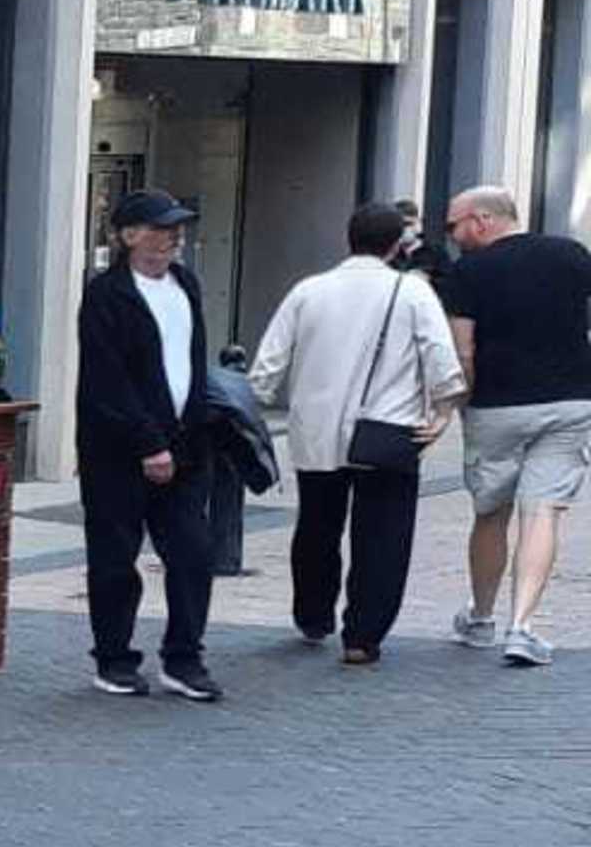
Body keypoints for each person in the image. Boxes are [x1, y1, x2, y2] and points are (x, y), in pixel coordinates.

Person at [248, 201, 463, 663]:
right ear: (396, 245)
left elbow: (267, 368)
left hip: (316, 431)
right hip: (389, 431)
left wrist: (257, 404)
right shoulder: (412, 292)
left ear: (349, 239)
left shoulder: (309, 290)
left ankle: (312, 614)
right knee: (383, 534)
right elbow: (441, 361)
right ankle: (363, 635)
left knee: (316, 525)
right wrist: (443, 413)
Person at [77, 188, 222, 700]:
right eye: (161, 229)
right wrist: (146, 443)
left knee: (193, 552)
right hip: (118, 452)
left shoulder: (186, 283)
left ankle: (184, 658)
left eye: (177, 230)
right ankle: (114, 658)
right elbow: (107, 381)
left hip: (185, 444)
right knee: (116, 556)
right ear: (129, 236)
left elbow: (192, 360)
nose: (172, 238)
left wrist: (195, 426)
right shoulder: (106, 294)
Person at [437, 184, 591, 665]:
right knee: (543, 512)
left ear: (481, 220)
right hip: (569, 401)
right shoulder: (572, 254)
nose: (452, 235)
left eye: (453, 224)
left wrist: (458, 401)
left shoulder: (467, 272)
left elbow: (462, 349)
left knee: (491, 513)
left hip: (495, 406)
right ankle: (522, 626)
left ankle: (481, 618)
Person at [204, 344, 278, 575]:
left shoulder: (219, 378)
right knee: (229, 501)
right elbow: (256, 425)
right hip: (232, 442)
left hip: (217, 438)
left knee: (216, 500)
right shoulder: (242, 385)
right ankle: (226, 560)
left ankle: (220, 559)